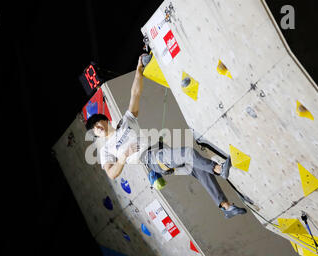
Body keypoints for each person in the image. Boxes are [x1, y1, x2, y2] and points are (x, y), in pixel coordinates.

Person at [85, 54, 246, 219]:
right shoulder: (106, 150)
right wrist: (123, 157)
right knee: (189, 153)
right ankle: (219, 169)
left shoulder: (125, 122)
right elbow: (112, 174)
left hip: (161, 150)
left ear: (105, 120)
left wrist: (139, 70)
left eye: (98, 124)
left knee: (200, 170)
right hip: (152, 159)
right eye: (95, 130)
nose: (97, 128)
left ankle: (226, 207)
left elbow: (135, 94)